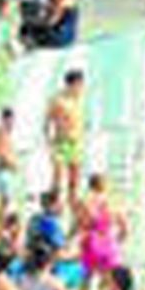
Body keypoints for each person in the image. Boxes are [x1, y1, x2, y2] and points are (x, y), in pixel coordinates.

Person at [46, 69, 87, 206]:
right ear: (72, 84)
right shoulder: (58, 100)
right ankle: (54, 206)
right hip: (61, 142)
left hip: (76, 142)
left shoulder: (79, 99)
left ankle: (72, 207)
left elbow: (79, 122)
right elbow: (47, 123)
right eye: (80, 84)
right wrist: (50, 144)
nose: (82, 87)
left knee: (75, 179)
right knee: (58, 177)